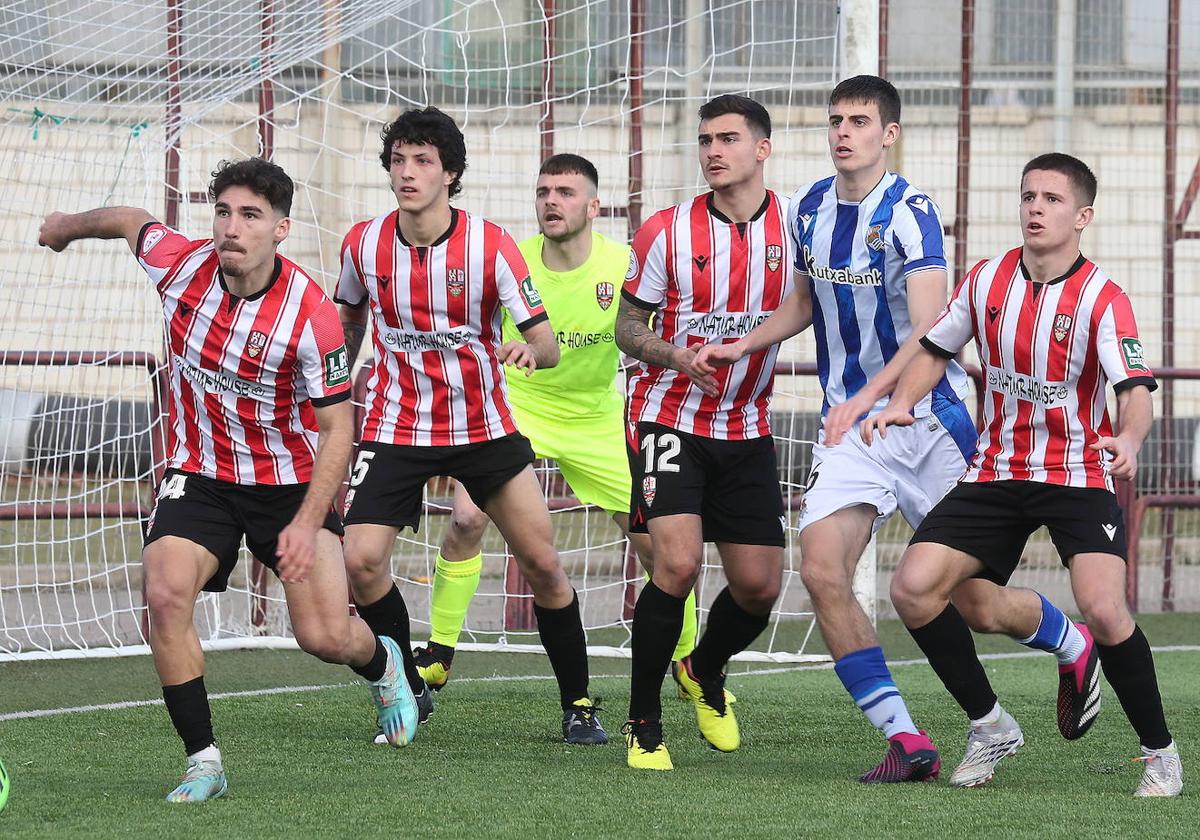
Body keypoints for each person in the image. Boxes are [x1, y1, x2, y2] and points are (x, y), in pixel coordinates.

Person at [696, 76, 1092, 783]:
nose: (843, 132)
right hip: (853, 430)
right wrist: (745, 343)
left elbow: (935, 334)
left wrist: (875, 397)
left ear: (890, 134)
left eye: (859, 121)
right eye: (836, 120)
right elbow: (802, 304)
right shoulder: (811, 206)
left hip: (927, 423)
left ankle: (1068, 639)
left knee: (972, 603)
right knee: (820, 570)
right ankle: (916, 740)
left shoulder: (912, 214)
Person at [37, 158, 419, 804]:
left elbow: (338, 431)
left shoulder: (311, 316)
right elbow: (131, 220)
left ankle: (384, 666)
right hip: (199, 474)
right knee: (163, 595)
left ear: (281, 229)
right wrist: (67, 227)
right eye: (222, 211)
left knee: (325, 636)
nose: (231, 228)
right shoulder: (179, 267)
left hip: (290, 485)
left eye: (250, 216)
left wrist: (304, 523)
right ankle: (203, 761)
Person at [863, 153, 1183, 796]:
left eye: (1053, 200)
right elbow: (934, 348)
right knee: (916, 590)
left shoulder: (1104, 298)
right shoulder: (986, 280)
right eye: (1028, 196)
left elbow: (1137, 389)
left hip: (1078, 471)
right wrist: (900, 403)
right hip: (998, 470)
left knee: (1103, 605)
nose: (1036, 208)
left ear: (1082, 216)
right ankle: (991, 726)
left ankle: (1160, 752)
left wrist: (1129, 436)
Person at [335, 107, 606, 745]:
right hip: (396, 426)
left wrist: (526, 352)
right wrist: (336, 378)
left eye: (423, 161)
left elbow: (546, 343)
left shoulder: (490, 245)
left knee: (541, 562)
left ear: (449, 173)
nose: (408, 172)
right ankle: (405, 683)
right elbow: (347, 324)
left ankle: (578, 705)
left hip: (483, 426)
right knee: (361, 560)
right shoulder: (362, 243)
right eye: (399, 160)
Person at [411, 153, 700, 692]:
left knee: (658, 546)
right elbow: (463, 331)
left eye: (566, 192)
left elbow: (655, 334)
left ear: (593, 205)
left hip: (596, 415)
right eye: (544, 191)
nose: (551, 201)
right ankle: (440, 650)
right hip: (517, 406)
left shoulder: (625, 264)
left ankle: (688, 665)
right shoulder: (510, 260)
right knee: (467, 519)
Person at [616, 94, 791, 771]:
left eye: (728, 139)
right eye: (705, 140)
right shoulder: (666, 231)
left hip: (747, 424)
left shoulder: (797, 228)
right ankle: (643, 723)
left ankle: (704, 667)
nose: (713, 150)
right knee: (679, 565)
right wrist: (676, 355)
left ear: (762, 149)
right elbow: (627, 329)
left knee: (759, 587)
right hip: (669, 415)